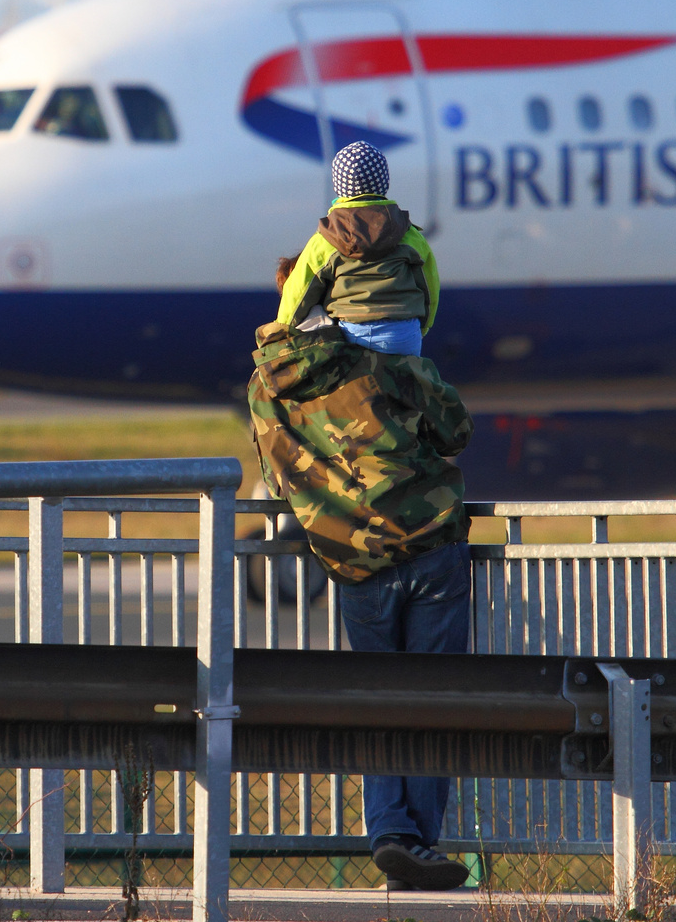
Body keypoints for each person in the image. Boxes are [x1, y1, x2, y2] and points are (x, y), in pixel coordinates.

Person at [249, 214, 474, 892]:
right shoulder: (384, 361)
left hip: (350, 559)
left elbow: (276, 467)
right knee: (434, 700)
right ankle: (419, 843)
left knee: (378, 694)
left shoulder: (267, 387)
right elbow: (455, 430)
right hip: (428, 543)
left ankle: (388, 831)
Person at [275, 141, 438, 358]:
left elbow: (298, 292)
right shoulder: (410, 235)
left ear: (338, 185)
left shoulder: (326, 239)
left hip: (353, 333)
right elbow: (429, 287)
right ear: (384, 182)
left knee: (347, 389)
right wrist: (422, 326)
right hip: (403, 334)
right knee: (408, 385)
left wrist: (282, 330)